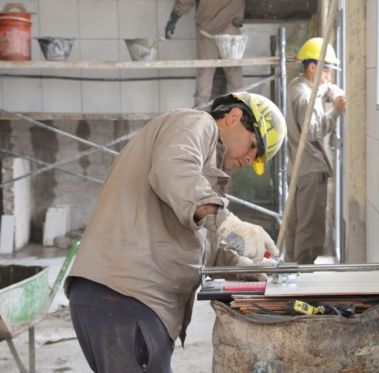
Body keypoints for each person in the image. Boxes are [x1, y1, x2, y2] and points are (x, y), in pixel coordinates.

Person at [65, 91, 287, 372]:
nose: (251, 158)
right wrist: (227, 220)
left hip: (130, 301)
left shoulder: (205, 174)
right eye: (254, 146)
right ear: (234, 117)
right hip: (125, 295)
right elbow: (172, 169)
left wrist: (250, 268)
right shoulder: (196, 124)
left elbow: (205, 244)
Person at [285, 37, 346, 264]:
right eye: (326, 70)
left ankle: (291, 272)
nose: (329, 76)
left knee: (295, 225)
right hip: (310, 170)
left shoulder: (298, 85)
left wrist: (336, 94)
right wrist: (336, 111)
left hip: (297, 168)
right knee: (309, 229)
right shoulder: (305, 98)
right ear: (313, 67)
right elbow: (312, 132)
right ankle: (303, 275)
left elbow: (326, 89)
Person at [165, 0, 246, 107]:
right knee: (234, 72)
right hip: (231, 26)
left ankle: (201, 108)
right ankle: (243, 108)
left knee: (205, 70)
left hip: (208, 27)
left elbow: (185, 2)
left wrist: (174, 18)